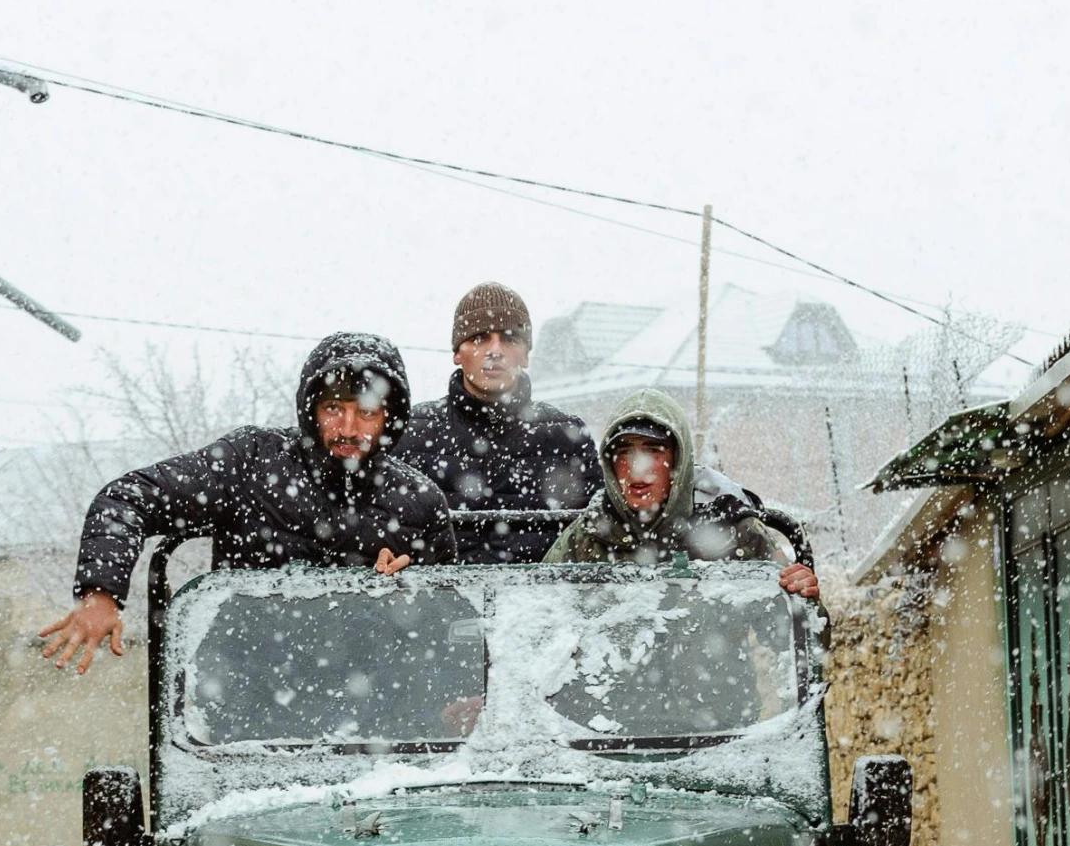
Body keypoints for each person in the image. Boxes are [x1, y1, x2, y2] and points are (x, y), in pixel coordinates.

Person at [41, 332, 455, 672]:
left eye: (365, 413)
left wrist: (412, 591)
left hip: (376, 716)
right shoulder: (251, 464)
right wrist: (100, 594)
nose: (347, 428)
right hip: (244, 709)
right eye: (333, 409)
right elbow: (127, 499)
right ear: (311, 412)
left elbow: (448, 632)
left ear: (390, 418)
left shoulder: (419, 504)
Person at [393, 282, 602, 562]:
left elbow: (596, 540)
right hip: (438, 604)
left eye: (509, 339)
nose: (495, 351)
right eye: (480, 338)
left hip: (541, 604)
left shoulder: (566, 437)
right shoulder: (409, 434)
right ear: (457, 352)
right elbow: (382, 533)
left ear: (526, 355)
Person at [545, 389, 820, 598]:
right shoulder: (588, 536)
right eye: (624, 452)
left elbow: (798, 641)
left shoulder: (731, 530)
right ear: (609, 462)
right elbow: (540, 625)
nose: (637, 469)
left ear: (678, 461)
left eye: (653, 450)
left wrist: (801, 597)